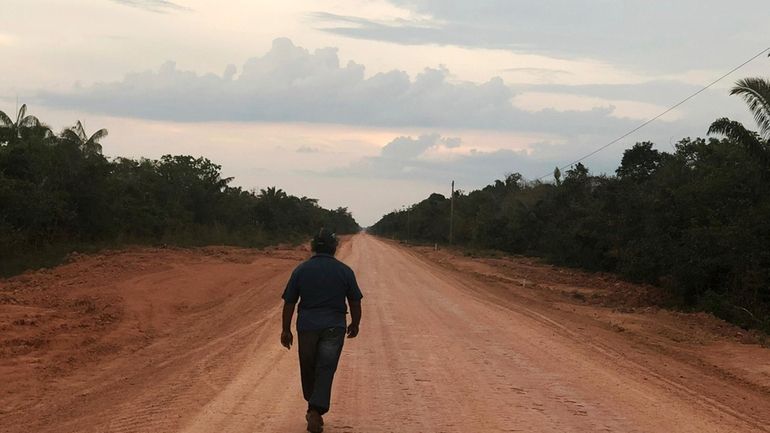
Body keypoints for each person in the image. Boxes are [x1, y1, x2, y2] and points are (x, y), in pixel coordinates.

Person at [281, 228, 363, 433]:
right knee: (326, 368)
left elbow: (290, 302)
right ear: (334, 248)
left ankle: (313, 407)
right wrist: (355, 323)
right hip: (335, 326)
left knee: (308, 366)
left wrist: (286, 329)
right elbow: (354, 301)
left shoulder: (301, 270)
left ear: (313, 247)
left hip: (307, 326)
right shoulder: (345, 271)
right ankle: (315, 409)